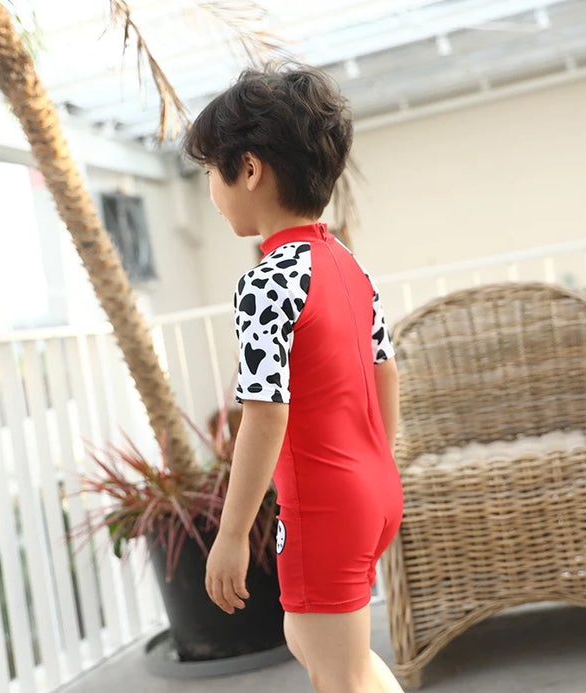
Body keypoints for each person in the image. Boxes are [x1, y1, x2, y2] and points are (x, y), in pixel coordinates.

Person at [183, 63, 405, 693]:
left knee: (336, 673)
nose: (211, 189)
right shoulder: (347, 265)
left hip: (324, 505)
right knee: (322, 649)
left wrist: (231, 535)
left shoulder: (266, 281)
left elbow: (264, 411)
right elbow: (386, 370)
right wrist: (376, 467)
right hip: (373, 490)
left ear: (250, 169)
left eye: (211, 171)